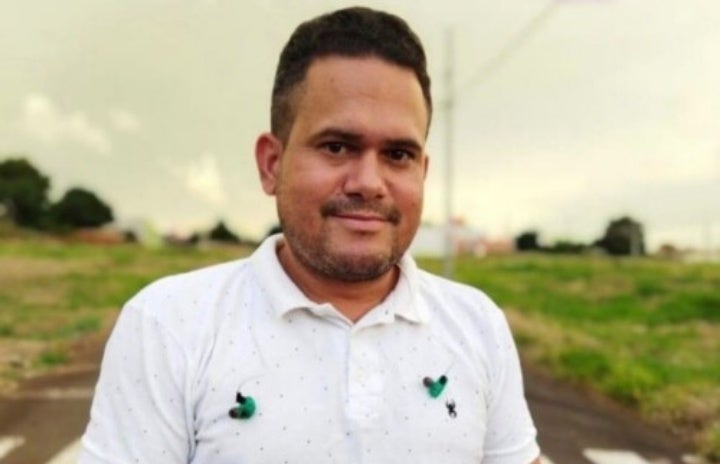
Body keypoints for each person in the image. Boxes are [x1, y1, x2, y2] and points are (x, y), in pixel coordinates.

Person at [79, 6, 541, 464]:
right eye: (337, 147)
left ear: (422, 172)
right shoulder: (170, 325)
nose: (368, 183)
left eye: (398, 154)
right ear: (271, 165)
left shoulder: (478, 326)